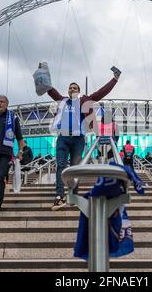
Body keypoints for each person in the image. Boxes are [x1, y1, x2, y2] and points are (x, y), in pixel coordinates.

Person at [46, 68, 120, 211]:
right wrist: (42, 76)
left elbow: (100, 93)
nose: (72, 89)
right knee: (61, 165)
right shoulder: (63, 101)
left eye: (75, 88)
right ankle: (59, 196)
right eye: (70, 87)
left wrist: (114, 80)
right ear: (67, 91)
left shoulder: (84, 101)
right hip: (63, 138)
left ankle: (73, 195)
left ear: (78, 91)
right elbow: (51, 90)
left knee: (75, 168)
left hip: (78, 139)